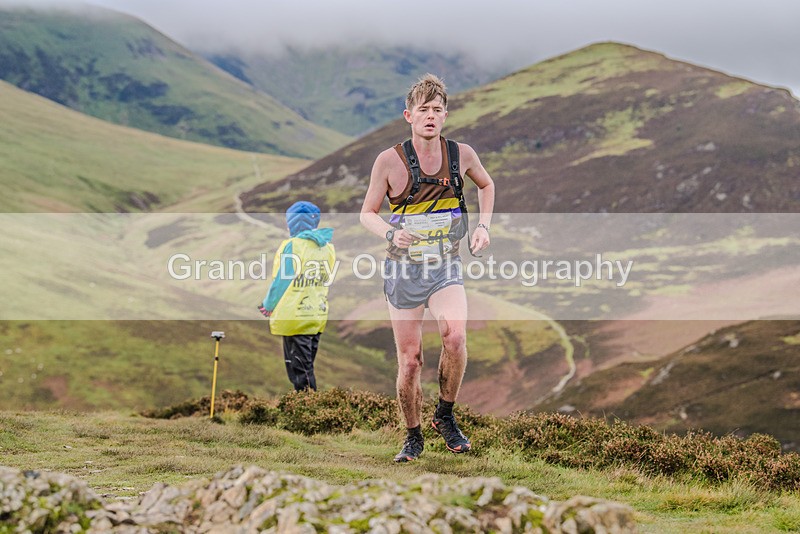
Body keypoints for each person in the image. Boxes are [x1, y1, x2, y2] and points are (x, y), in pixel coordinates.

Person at [360, 74, 495, 462]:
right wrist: (390, 233)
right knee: (411, 359)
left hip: (445, 265)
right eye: (424, 110)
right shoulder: (389, 161)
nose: (431, 116)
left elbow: (486, 186)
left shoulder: (462, 155)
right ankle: (413, 436)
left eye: (437, 109)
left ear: (445, 115)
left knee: (454, 336)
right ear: (409, 115)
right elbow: (367, 213)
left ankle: (445, 416)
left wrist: (483, 226)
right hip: (403, 271)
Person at [259, 201, 335, 392]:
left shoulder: (292, 246)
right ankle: (308, 410)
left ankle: (308, 413)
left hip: (294, 317)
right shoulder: (327, 248)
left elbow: (281, 281)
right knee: (306, 367)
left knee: (300, 372)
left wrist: (268, 305)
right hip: (317, 315)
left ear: (291, 223)